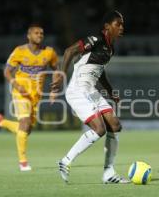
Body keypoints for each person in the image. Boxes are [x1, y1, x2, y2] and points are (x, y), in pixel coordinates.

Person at [53, 10, 128, 184]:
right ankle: (65, 161)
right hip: (78, 91)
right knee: (99, 129)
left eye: (122, 24)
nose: (122, 27)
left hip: (91, 91)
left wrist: (110, 92)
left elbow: (100, 72)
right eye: (118, 24)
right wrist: (61, 74)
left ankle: (108, 173)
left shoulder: (110, 49)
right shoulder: (95, 40)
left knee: (115, 125)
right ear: (107, 26)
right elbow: (69, 51)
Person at [0, 24, 60, 171]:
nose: (39, 35)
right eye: (36, 33)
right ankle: (23, 162)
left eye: (41, 33)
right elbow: (7, 71)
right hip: (21, 92)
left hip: (36, 95)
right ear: (29, 36)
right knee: (25, 122)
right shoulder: (19, 51)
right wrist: (16, 84)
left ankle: (1, 122)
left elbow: (56, 70)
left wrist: (54, 89)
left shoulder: (49, 52)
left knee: (26, 129)